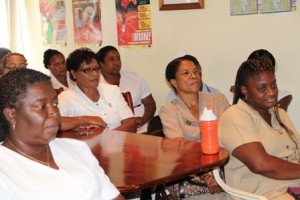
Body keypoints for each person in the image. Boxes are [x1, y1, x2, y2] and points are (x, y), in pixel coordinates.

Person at [0, 68, 124, 200]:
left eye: (55, 104)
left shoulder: (77, 148)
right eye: (41, 106)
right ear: (11, 114)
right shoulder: (5, 169)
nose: (54, 112)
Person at [219, 58, 300, 199]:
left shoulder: (280, 114)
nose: (271, 93)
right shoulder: (234, 116)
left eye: (273, 85)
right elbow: (260, 164)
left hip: (294, 186)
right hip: (264, 193)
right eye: (262, 88)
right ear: (245, 90)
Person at [159, 55, 229, 196]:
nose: (193, 76)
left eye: (196, 72)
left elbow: (227, 136)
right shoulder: (169, 111)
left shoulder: (218, 100)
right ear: (173, 82)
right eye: (186, 73)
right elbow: (180, 148)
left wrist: (213, 170)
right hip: (190, 170)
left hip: (223, 165)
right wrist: (204, 172)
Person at [58, 48, 136, 133]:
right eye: (87, 70)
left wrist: (105, 137)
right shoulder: (66, 97)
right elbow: (54, 123)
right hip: (88, 145)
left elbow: (131, 124)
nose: (95, 74)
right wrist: (86, 119)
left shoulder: (112, 90)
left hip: (118, 143)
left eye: (97, 69)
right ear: (73, 73)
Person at [96, 45, 156, 133]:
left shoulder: (133, 78)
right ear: (101, 64)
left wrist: (143, 120)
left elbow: (150, 103)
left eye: (118, 58)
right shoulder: (96, 84)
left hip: (143, 129)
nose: (116, 62)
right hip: (114, 131)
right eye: (111, 59)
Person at [228, 49, 292, 111]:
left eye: (267, 66)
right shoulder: (234, 98)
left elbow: (277, 117)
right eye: (261, 88)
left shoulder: (284, 95)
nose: (270, 93)